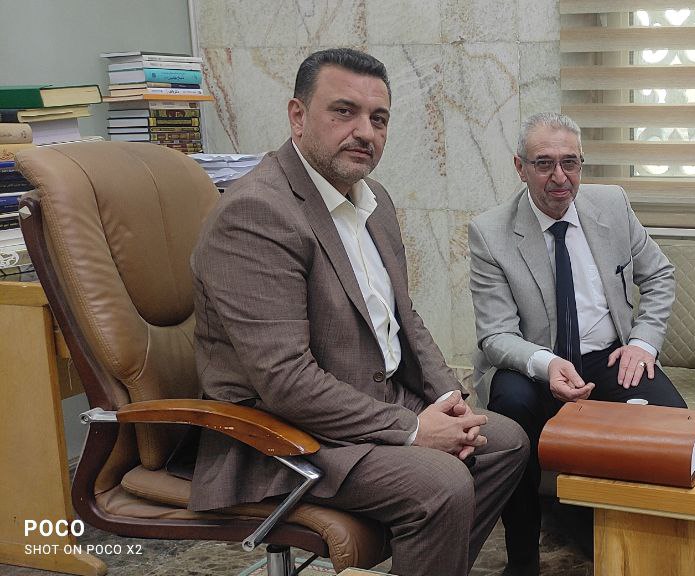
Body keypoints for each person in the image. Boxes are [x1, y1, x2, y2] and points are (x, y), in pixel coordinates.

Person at [188, 48, 527, 576]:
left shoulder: (374, 200)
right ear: (298, 116)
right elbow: (285, 381)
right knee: (441, 483)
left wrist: (448, 401)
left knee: (503, 443)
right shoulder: (257, 213)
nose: (365, 132)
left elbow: (404, 319)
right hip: (280, 434)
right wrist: (413, 430)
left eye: (379, 118)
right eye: (343, 112)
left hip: (371, 400)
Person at [468, 112, 687, 575]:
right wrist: (546, 365)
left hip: (608, 355)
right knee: (511, 412)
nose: (560, 177)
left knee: (673, 420)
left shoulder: (612, 205)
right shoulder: (490, 232)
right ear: (520, 167)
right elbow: (495, 334)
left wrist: (642, 344)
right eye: (544, 163)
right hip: (533, 360)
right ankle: (523, 559)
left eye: (570, 162)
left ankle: (648, 545)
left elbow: (659, 275)